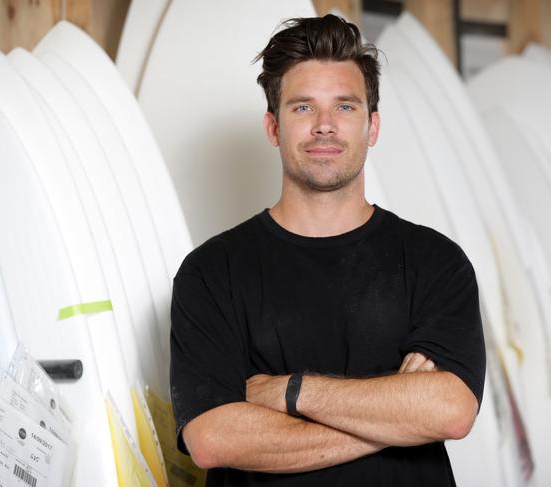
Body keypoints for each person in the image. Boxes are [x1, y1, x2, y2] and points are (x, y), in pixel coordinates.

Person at [170, 14, 486, 487]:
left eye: (344, 107)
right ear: (273, 128)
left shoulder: (435, 262)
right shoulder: (211, 273)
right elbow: (214, 440)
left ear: (372, 126)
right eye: (302, 108)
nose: (324, 126)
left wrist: (292, 391)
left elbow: (450, 411)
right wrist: (398, 417)